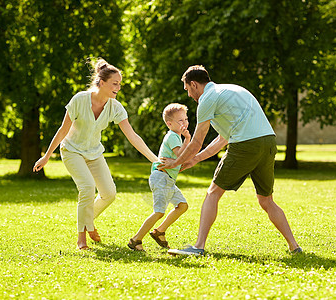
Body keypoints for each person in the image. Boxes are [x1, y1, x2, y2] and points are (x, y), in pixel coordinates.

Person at [159, 65, 302, 256]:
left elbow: (197, 141)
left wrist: (174, 163)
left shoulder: (207, 99)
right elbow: (222, 139)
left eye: (187, 89)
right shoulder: (232, 90)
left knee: (213, 193)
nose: (189, 95)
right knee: (266, 200)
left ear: (194, 84)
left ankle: (198, 247)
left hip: (245, 146)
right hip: (268, 142)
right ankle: (294, 246)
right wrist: (196, 160)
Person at [33, 58, 158, 250]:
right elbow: (63, 130)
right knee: (88, 187)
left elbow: (133, 136)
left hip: (94, 153)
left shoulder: (115, 107)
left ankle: (88, 221)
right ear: (101, 82)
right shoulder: (80, 100)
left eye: (119, 84)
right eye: (114, 83)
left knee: (109, 193)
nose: (118, 87)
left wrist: (155, 160)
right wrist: (47, 155)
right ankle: (81, 239)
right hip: (72, 150)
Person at [128, 103, 190, 251]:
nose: (185, 123)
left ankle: (159, 231)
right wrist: (188, 140)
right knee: (159, 212)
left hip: (167, 179)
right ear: (169, 124)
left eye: (186, 119)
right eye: (180, 121)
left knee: (182, 206)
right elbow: (182, 156)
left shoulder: (177, 137)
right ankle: (136, 240)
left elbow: (181, 158)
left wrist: (186, 140)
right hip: (162, 178)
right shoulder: (173, 137)